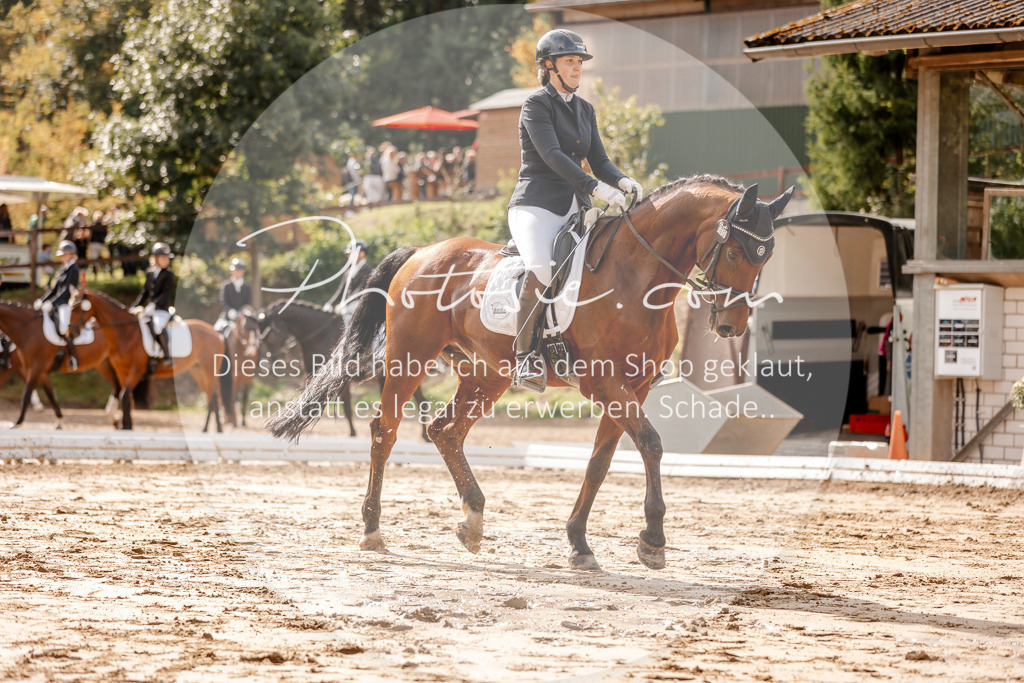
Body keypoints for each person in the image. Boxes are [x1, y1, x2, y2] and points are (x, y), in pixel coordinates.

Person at [507, 28, 643, 390]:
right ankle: (524, 357)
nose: (577, 67)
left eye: (579, 61)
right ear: (549, 65)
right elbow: (551, 156)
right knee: (541, 266)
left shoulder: (585, 109)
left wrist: (622, 181)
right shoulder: (536, 105)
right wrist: (595, 188)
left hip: (576, 206)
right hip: (537, 203)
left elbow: (599, 161)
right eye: (570, 61)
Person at [130, 242, 175, 375]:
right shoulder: (150, 272)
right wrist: (135, 305)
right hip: (150, 308)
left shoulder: (168, 274)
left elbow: (164, 294)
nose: (166, 260)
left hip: (162, 308)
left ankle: (167, 356)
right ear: (156, 258)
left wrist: (153, 305)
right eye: (163, 257)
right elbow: (144, 292)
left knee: (157, 327)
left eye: (167, 258)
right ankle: (148, 355)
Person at [36, 240, 81, 370]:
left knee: (63, 328)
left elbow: (66, 291)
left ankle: (72, 356)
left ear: (71, 254)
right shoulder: (63, 269)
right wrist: (43, 300)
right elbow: (54, 289)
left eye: (63, 254)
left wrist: (52, 303)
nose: (61, 257)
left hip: (66, 304)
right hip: (56, 303)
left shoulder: (74, 269)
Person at [324, 240, 370, 321]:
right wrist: (330, 304)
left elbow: (359, 291)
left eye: (352, 253)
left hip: (359, 307)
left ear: (362, 253)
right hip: (347, 307)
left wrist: (345, 304)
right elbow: (341, 291)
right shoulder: (348, 272)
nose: (349, 256)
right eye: (349, 254)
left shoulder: (368, 271)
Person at [215, 258, 252, 334]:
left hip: (243, 316)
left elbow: (249, 301)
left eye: (239, 270)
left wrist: (243, 311)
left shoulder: (247, 287)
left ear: (243, 272)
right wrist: (230, 311)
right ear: (231, 271)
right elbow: (223, 301)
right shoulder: (226, 285)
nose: (237, 272)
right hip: (228, 316)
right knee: (216, 330)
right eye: (235, 270)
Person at [88, 210, 108, 274]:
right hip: (100, 244)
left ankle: (96, 273)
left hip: (94, 244)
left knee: (94, 260)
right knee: (101, 259)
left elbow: (90, 235)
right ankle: (104, 271)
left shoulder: (92, 225)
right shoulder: (104, 226)